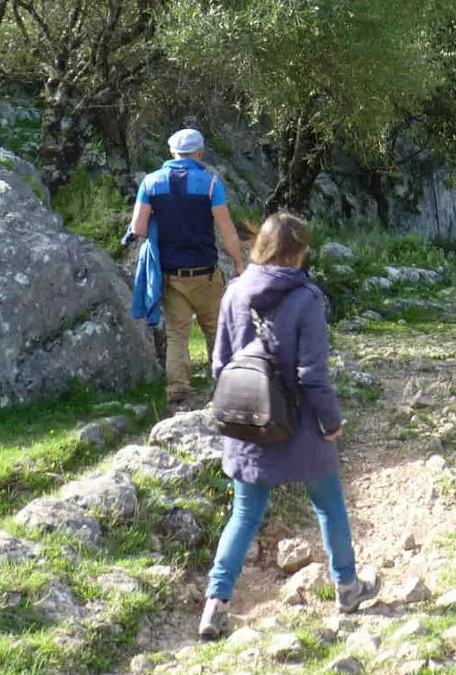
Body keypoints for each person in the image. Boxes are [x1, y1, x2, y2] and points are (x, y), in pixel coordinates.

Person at [199, 211, 378, 639]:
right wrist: (330, 422)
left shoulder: (234, 291)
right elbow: (312, 374)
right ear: (298, 252)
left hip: (247, 420)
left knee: (244, 513)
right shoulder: (306, 298)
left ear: (261, 245)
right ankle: (347, 588)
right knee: (328, 502)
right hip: (298, 424)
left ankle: (214, 605)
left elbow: (220, 365)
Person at [124, 128, 246, 411]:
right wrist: (239, 263)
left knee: (177, 336)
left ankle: (178, 396)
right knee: (216, 331)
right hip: (205, 274)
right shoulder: (212, 184)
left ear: (171, 152)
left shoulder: (150, 183)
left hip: (171, 276)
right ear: (200, 153)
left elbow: (139, 228)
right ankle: (225, 391)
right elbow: (227, 230)